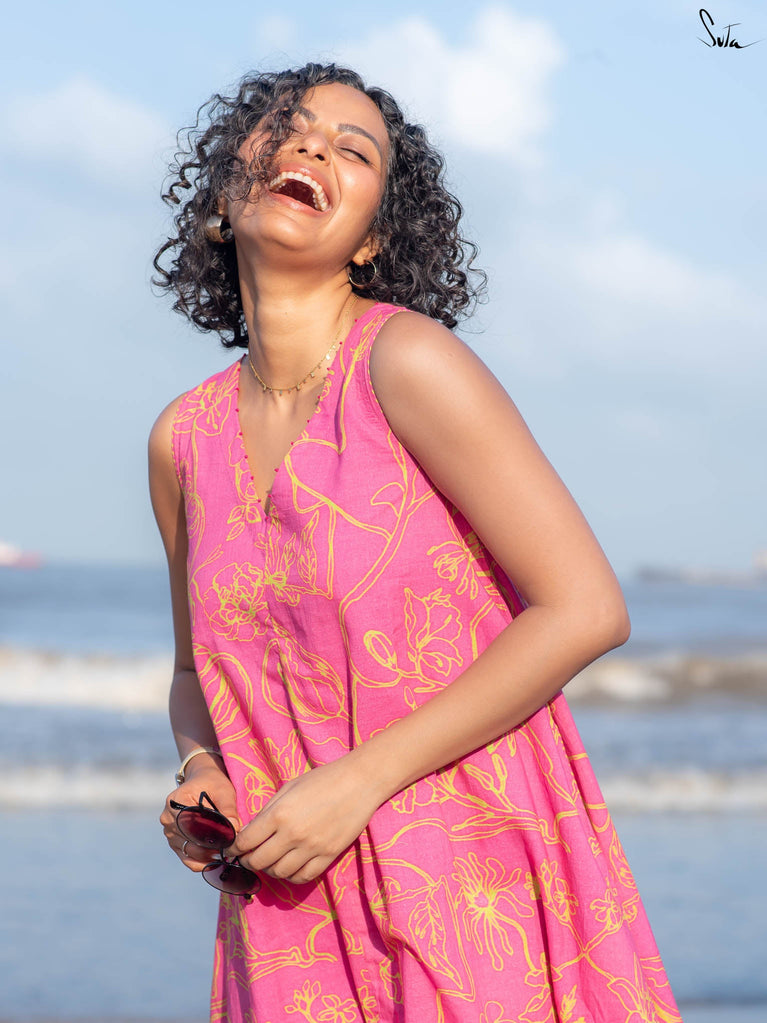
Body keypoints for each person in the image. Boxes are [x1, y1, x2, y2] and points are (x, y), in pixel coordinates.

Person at [149, 63, 680, 1023]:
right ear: (226, 189)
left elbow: (585, 608)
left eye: (352, 150)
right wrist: (201, 772)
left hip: (464, 866)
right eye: (289, 127)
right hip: (290, 897)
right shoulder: (182, 440)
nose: (311, 145)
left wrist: (356, 783)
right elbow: (195, 671)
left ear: (373, 238)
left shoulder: (405, 362)